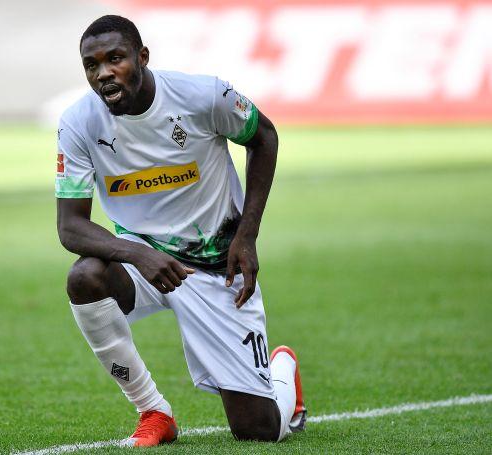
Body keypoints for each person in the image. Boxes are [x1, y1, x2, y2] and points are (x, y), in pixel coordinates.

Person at [55, 14, 306, 447]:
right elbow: (70, 226)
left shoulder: (202, 96)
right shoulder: (79, 124)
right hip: (145, 259)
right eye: (91, 65)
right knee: (85, 277)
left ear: (142, 57)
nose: (104, 73)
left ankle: (282, 370)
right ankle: (153, 410)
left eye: (115, 58)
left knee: (259, 431)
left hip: (216, 267)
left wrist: (247, 234)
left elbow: (263, 136)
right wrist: (139, 255)